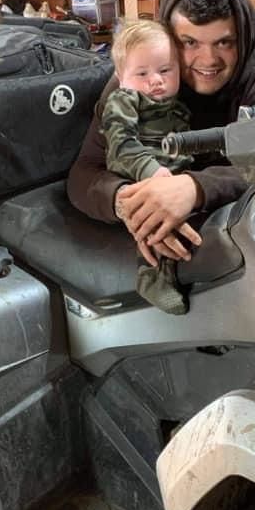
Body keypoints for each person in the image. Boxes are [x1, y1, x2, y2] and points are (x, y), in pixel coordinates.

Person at [67, 0, 255, 268]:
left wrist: (195, 188)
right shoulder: (141, 75)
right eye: (189, 43)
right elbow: (85, 171)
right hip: (157, 205)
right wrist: (131, 206)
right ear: (167, 38)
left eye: (223, 42)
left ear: (242, 35)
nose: (208, 60)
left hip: (238, 222)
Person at [101, 19, 193, 314]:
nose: (156, 80)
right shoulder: (123, 99)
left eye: (165, 70)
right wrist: (150, 170)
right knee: (155, 214)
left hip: (172, 170)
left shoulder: (178, 105)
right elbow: (120, 143)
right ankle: (151, 274)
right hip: (132, 166)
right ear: (121, 76)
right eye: (142, 73)